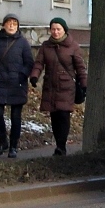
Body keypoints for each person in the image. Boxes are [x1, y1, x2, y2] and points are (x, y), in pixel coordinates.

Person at [30, 17, 87, 156]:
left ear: (64, 30)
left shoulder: (73, 46)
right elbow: (39, 63)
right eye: (53, 29)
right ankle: (59, 144)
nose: (55, 32)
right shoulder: (46, 46)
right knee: (54, 116)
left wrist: (84, 84)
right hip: (51, 85)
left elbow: (80, 67)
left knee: (63, 115)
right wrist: (34, 76)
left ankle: (61, 146)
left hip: (67, 86)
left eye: (58, 29)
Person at [0, 13, 33, 158]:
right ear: (3, 25)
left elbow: (29, 63)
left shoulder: (23, 43)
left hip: (17, 84)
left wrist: (22, 76)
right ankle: (3, 142)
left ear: (18, 26)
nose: (11, 25)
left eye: (14, 23)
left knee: (15, 116)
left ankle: (13, 146)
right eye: (9, 23)